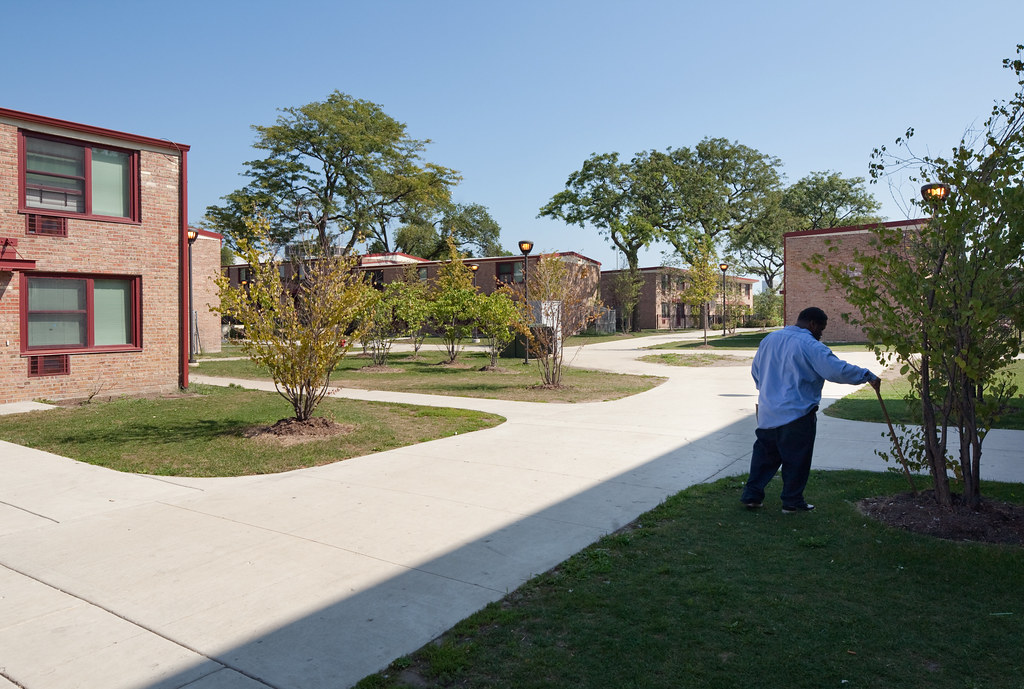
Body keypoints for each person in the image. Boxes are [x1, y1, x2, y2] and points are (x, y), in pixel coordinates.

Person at [741, 307, 881, 513]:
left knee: (764, 457)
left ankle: (752, 496)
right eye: (821, 329)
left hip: (768, 411)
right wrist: (866, 375)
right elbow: (835, 369)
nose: (820, 334)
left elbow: (756, 371)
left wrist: (769, 392)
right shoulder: (810, 345)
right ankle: (792, 501)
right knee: (796, 459)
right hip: (797, 414)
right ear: (813, 324)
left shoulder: (770, 339)